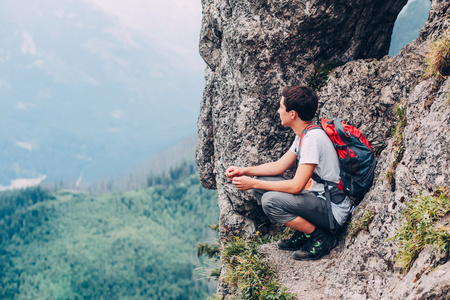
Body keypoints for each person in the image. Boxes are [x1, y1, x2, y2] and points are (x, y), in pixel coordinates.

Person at [225, 85, 351, 260]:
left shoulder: (311, 140)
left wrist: (252, 183)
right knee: (262, 186)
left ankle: (321, 237)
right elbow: (279, 166)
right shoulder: (304, 134)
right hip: (318, 199)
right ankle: (305, 231)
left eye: (281, 107)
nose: (278, 111)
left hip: (332, 209)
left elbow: (296, 186)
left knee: (270, 200)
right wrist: (245, 171)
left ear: (293, 114)